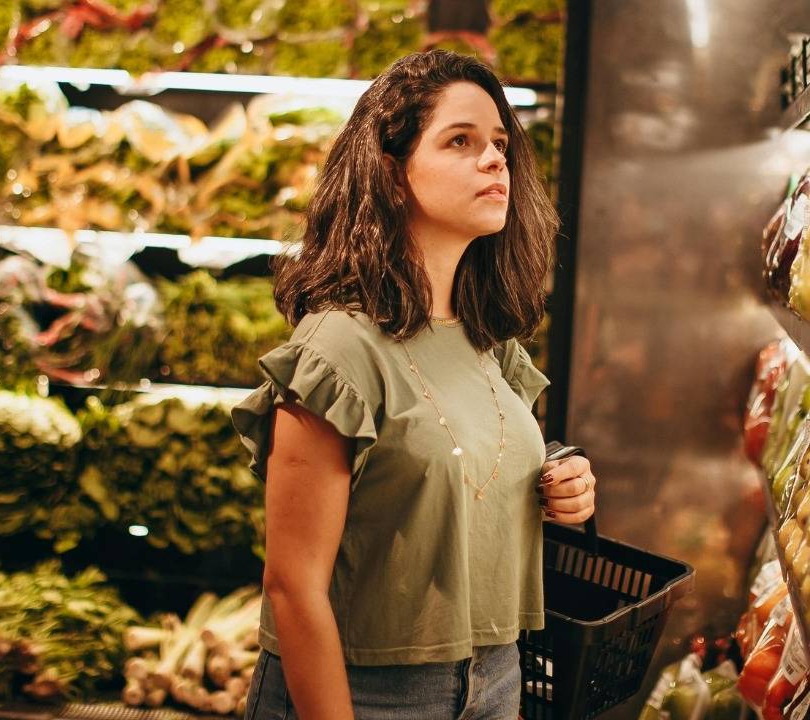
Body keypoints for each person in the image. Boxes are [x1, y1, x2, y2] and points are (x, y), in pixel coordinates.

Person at [231, 50, 600, 719]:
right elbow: (293, 588)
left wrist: (560, 482)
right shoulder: (338, 349)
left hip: (496, 676)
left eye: (499, 144)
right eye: (460, 141)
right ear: (391, 176)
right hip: (367, 692)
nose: (494, 161)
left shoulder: (488, 339)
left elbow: (461, 468)